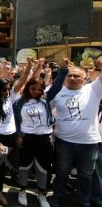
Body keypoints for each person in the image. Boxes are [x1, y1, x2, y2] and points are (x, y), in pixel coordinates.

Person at [13, 59, 69, 207]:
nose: (36, 91)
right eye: (33, 88)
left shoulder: (45, 99)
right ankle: (22, 190)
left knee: (43, 167)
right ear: (28, 88)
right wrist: (18, 135)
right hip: (27, 139)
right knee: (24, 166)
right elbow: (16, 121)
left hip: (44, 138)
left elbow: (56, 86)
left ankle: (41, 193)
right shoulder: (19, 102)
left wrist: (63, 69)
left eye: (39, 89)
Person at [48, 61, 102, 207]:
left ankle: (83, 201)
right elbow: (45, 108)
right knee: (62, 172)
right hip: (64, 142)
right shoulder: (58, 92)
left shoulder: (93, 89)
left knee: (86, 175)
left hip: (88, 143)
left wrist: (99, 67)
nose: (72, 78)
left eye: (77, 76)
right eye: (70, 75)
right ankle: (57, 197)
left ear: (85, 79)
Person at [0, 57, 32, 206]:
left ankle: (0, 190)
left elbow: (22, 80)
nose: (7, 91)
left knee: (3, 167)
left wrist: (29, 66)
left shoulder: (10, 98)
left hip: (10, 138)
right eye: (4, 89)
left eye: (8, 89)